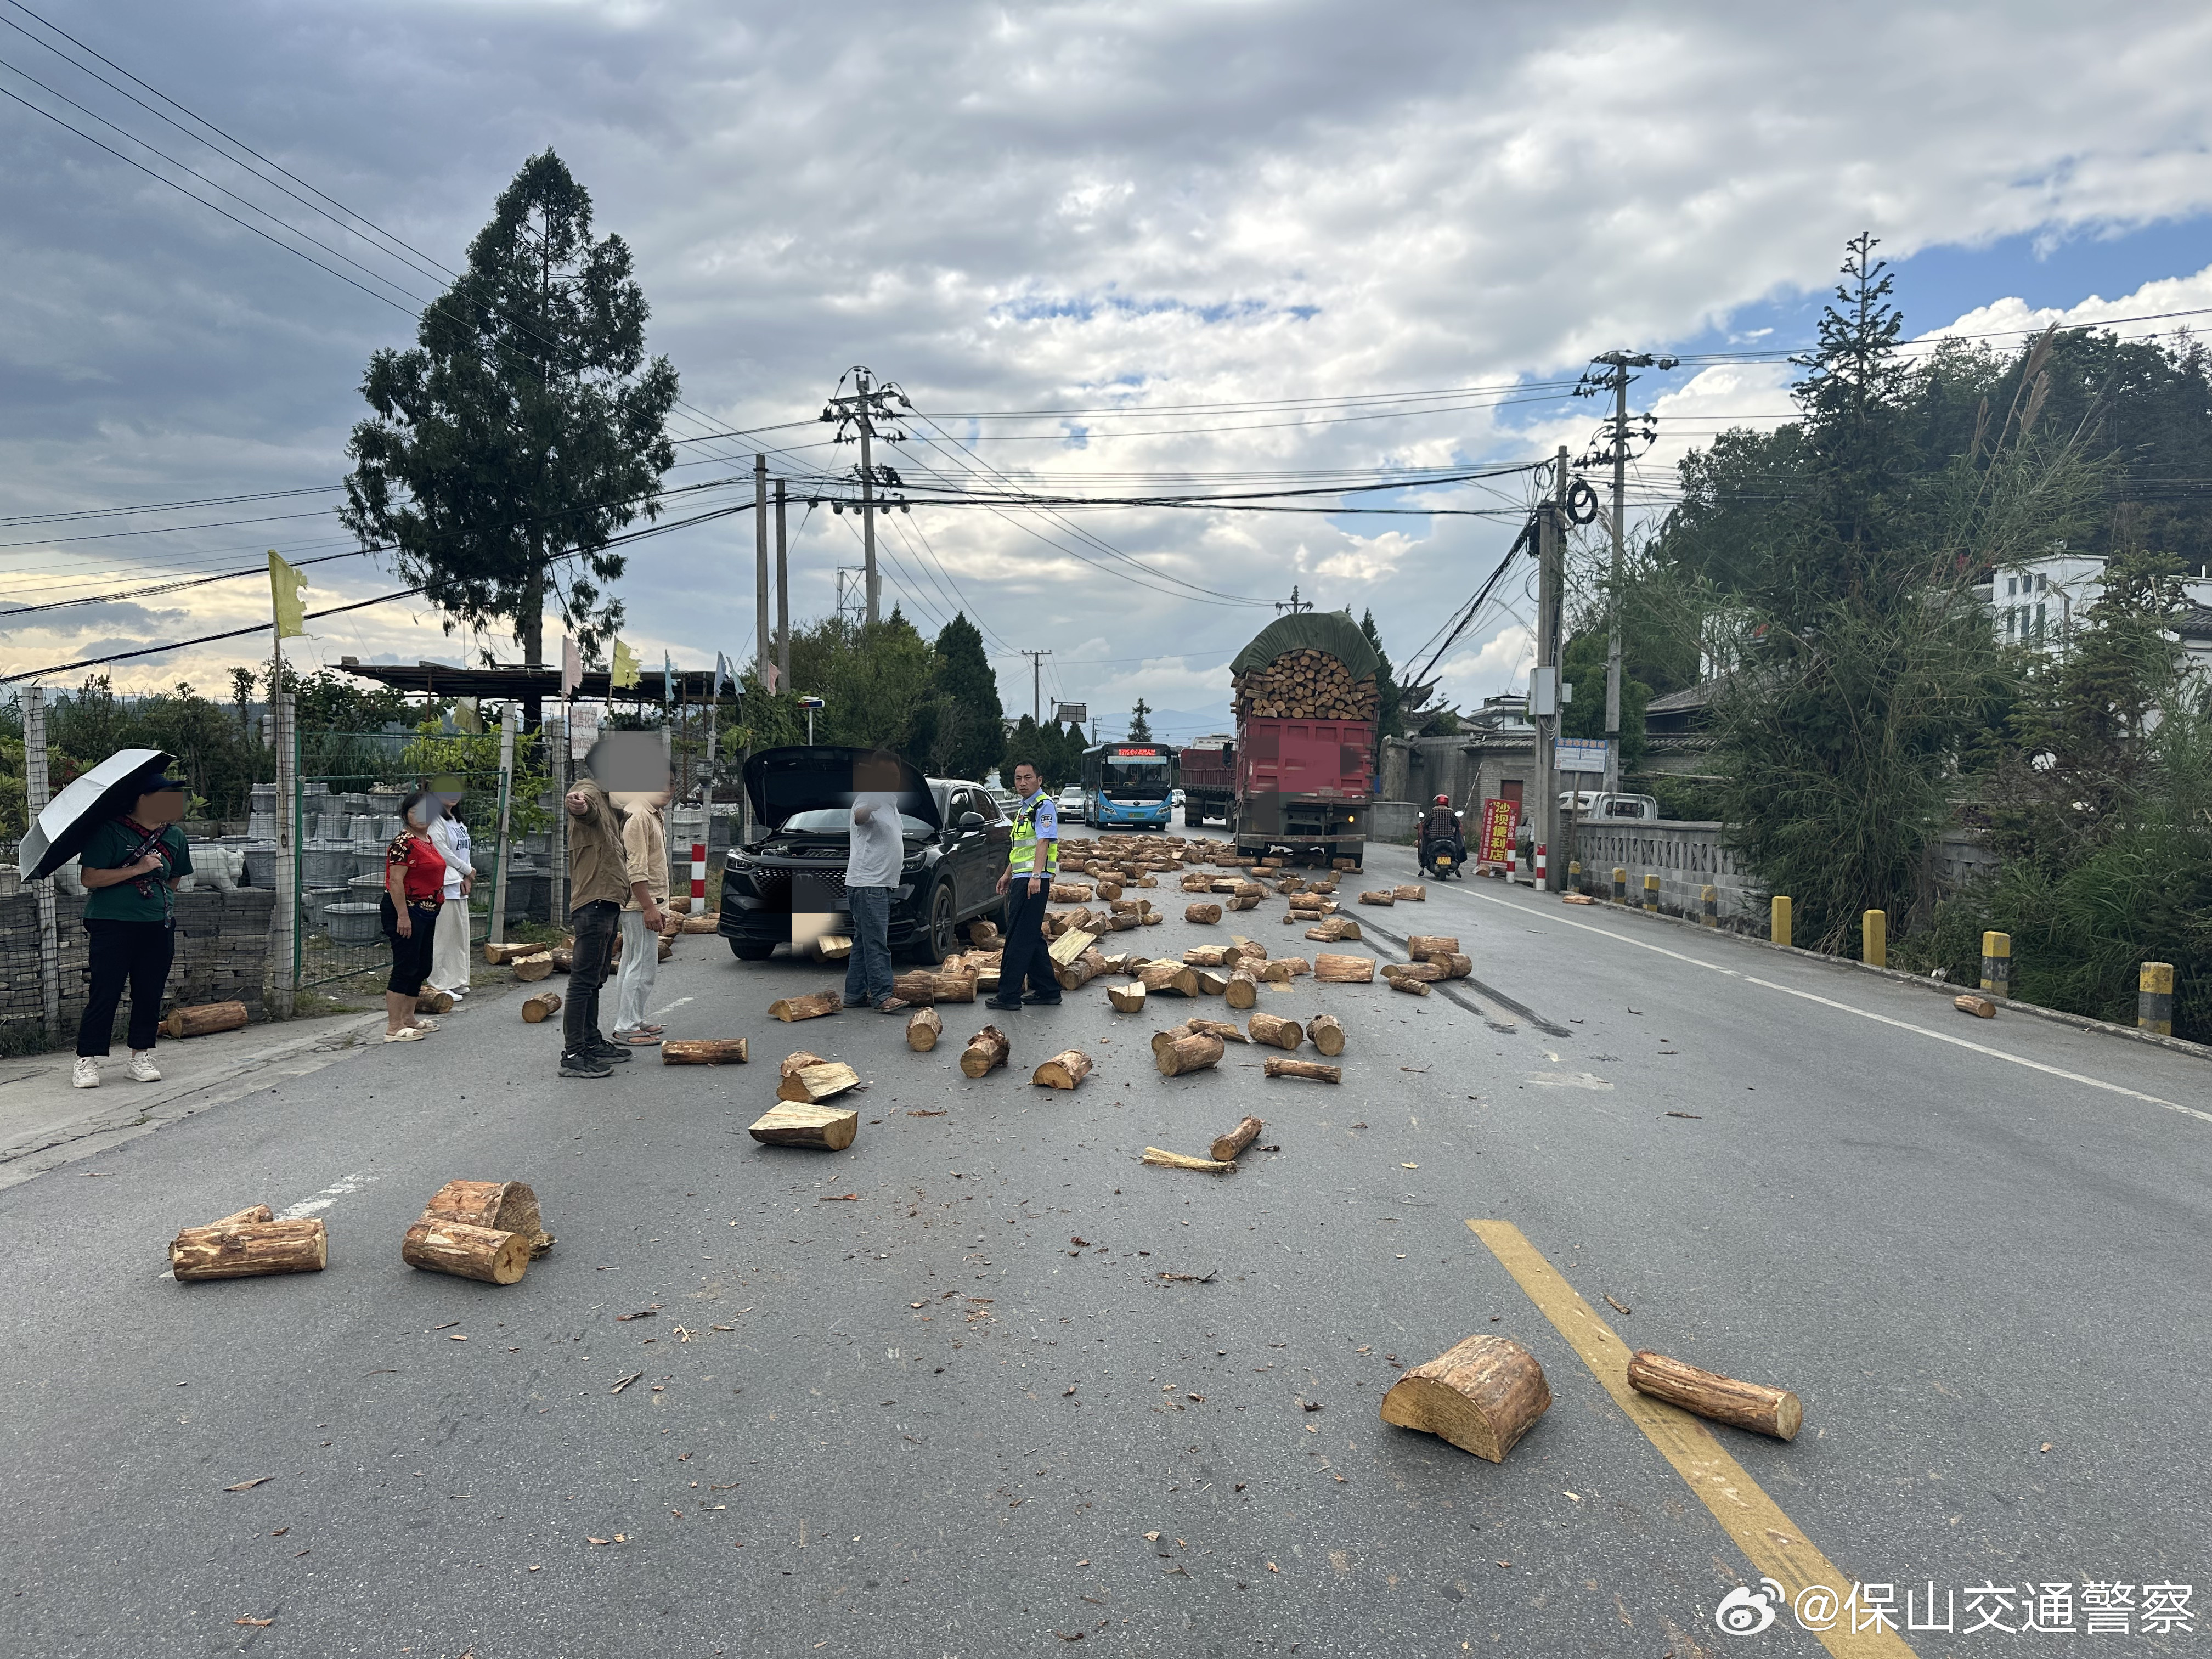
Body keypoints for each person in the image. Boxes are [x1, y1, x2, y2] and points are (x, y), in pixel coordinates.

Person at [71, 765, 193, 1089]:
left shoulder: (175, 837)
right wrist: (138, 869)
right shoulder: (110, 831)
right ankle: (87, 1059)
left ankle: (141, 1055)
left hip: (158, 923)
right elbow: (90, 879)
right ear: (142, 799)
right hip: (111, 923)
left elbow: (174, 879)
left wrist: (153, 889)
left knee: (149, 991)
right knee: (106, 990)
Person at [560, 732, 661, 1079]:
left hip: (608, 899)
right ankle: (574, 1052)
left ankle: (591, 1040)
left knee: (597, 977)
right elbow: (581, 808)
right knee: (584, 980)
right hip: (593, 899)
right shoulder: (588, 793)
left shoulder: (608, 799)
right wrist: (579, 805)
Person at [986, 759, 1059, 1011]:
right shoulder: (1024, 808)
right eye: (1018, 778)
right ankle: (1048, 990)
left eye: (1028, 778)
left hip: (1032, 881)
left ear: (1039, 780)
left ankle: (1009, 995)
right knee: (1030, 934)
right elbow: (1019, 847)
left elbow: (1043, 843)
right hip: (1021, 877)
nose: (1022, 783)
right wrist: (1008, 873)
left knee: (1018, 937)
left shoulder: (1044, 806)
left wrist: (1036, 877)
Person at [843, 749, 911, 1014]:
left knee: (864, 940)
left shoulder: (892, 803)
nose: (890, 780)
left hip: (877, 884)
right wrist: (869, 807)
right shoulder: (868, 798)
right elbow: (860, 816)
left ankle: (854, 992)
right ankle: (883, 995)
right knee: (876, 942)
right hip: (868, 884)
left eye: (894, 775)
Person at [379, 791, 448, 1043]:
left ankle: (409, 1018)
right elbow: (396, 881)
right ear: (405, 814)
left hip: (428, 911)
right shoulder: (404, 843)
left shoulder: (427, 840)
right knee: (405, 966)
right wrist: (403, 916)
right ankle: (393, 1026)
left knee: (422, 966)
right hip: (405, 910)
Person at [610, 781, 675, 1046]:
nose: (665, 791)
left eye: (670, 785)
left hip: (644, 902)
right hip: (640, 904)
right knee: (642, 966)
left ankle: (633, 1019)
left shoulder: (653, 814)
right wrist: (649, 907)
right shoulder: (638, 815)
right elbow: (634, 867)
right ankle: (625, 1026)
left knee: (632, 962)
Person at [427, 793, 475, 1000]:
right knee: (443, 936)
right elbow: (441, 850)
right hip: (443, 883)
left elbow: (465, 851)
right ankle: (439, 983)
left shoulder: (457, 821)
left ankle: (457, 980)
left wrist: (467, 876)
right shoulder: (434, 821)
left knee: (459, 935)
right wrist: (467, 869)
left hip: (459, 883)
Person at [1417, 794, 1465, 866]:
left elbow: (1426, 823)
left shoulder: (1434, 811)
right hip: (1449, 837)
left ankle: (1423, 861)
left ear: (1437, 802)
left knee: (1425, 845)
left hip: (1434, 837)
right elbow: (1456, 824)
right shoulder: (1451, 812)